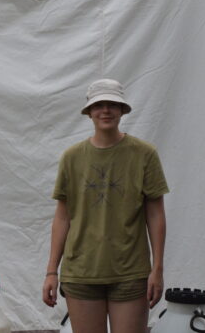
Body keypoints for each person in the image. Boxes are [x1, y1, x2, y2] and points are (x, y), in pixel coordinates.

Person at [42, 78, 169, 333]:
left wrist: (157, 269)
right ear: (89, 112)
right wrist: (51, 272)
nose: (106, 110)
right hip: (81, 272)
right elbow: (62, 217)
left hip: (131, 272)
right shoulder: (72, 158)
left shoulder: (144, 154)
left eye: (113, 104)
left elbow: (156, 215)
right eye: (99, 105)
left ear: (122, 109)